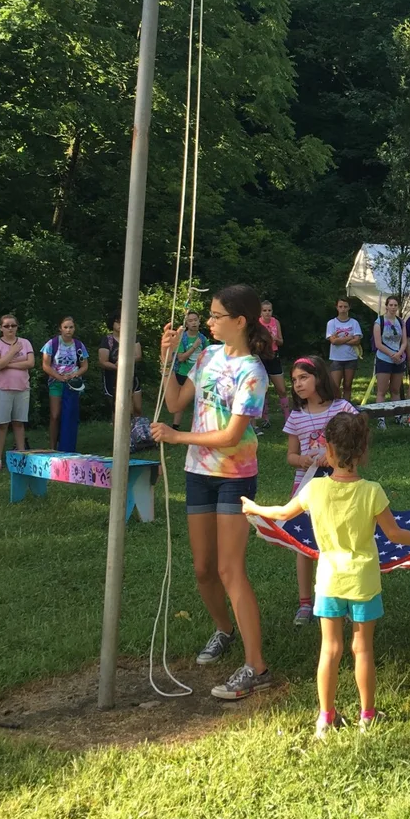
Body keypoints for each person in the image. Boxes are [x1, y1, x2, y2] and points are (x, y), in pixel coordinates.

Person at [243, 412, 410, 736]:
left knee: (330, 649)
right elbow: (395, 535)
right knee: (363, 648)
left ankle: (325, 718)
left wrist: (254, 508)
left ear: (327, 449)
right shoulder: (372, 491)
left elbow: (283, 513)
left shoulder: (314, 490)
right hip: (364, 580)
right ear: (363, 452)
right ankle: (367, 715)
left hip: (328, 580)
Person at [151, 285, 272, 701]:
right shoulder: (205, 356)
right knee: (203, 567)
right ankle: (224, 629)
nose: (209, 321)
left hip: (234, 474)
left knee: (229, 569)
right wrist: (168, 362)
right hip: (198, 473)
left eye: (217, 316)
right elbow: (175, 402)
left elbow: (232, 435)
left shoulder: (253, 372)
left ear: (240, 321)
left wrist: (176, 437)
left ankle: (257, 667)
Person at [284, 356, 357, 624]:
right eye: (293, 380)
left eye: (304, 377)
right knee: (303, 543)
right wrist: (301, 459)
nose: (298, 384)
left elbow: (357, 438)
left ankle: (344, 598)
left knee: (340, 542)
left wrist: (335, 453)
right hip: (306, 487)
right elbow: (291, 454)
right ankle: (305, 603)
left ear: (319, 378)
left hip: (340, 485)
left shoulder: (343, 408)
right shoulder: (296, 417)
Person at [0, 313, 35, 470]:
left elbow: (30, 363)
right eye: (6, 326)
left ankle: (21, 455)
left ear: (17, 327)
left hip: (22, 388)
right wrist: (13, 352)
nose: (10, 328)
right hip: (2, 388)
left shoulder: (25, 342)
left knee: (19, 423)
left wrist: (6, 362)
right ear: (1, 328)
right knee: (2, 424)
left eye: (13, 325)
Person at [40, 317, 89, 450]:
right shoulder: (52, 344)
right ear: (60, 328)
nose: (68, 330)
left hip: (72, 384)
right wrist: (58, 377)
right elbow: (45, 365)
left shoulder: (79, 345)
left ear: (74, 329)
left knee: (70, 414)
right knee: (55, 415)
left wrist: (75, 374)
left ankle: (67, 445)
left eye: (71, 327)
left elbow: (84, 366)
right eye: (65, 327)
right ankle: (52, 447)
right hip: (56, 382)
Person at [98, 310, 143, 419]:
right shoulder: (107, 340)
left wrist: (124, 362)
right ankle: (117, 434)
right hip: (113, 379)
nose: (120, 325)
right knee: (118, 408)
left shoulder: (132, 337)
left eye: (123, 322)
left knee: (137, 408)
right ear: (112, 324)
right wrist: (117, 367)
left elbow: (138, 355)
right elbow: (103, 361)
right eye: (118, 322)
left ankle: (136, 432)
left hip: (132, 376)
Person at [172, 311, 207, 429]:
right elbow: (181, 358)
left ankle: (198, 427)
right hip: (183, 373)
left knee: (199, 401)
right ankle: (175, 426)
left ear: (199, 321)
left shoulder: (203, 338)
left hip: (199, 375)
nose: (194, 323)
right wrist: (194, 346)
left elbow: (207, 356)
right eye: (190, 321)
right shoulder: (182, 338)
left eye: (195, 320)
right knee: (180, 400)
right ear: (186, 323)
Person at [326, 297, 363, 403]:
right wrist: (349, 338)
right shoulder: (331, 323)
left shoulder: (354, 323)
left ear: (349, 308)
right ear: (336, 307)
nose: (343, 309)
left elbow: (357, 340)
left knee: (348, 385)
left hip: (351, 357)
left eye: (345, 307)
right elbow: (333, 341)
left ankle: (346, 407)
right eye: (340, 306)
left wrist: (339, 339)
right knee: (335, 386)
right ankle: (335, 407)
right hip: (336, 358)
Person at [259, 300, 289, 423]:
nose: (267, 313)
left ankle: (287, 418)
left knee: (281, 389)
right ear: (260, 312)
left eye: (269, 310)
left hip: (274, 356)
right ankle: (266, 419)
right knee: (263, 390)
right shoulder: (257, 324)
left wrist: (275, 339)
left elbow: (281, 341)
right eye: (264, 310)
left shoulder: (275, 322)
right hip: (261, 357)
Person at [372, 296, 406, 403]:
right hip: (384, 358)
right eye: (391, 305)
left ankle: (397, 415)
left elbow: (404, 342)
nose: (393, 307)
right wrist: (392, 355)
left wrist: (399, 353)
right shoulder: (379, 321)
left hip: (398, 359)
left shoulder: (400, 322)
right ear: (386, 306)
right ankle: (381, 417)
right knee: (382, 391)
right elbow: (378, 343)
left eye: (395, 305)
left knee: (395, 390)